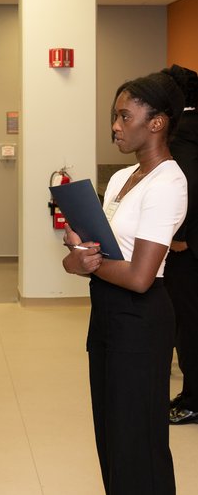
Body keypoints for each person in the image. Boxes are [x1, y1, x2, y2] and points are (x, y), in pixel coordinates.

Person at [62, 72, 187, 495]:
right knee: (112, 438)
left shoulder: (169, 183)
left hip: (142, 318)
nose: (115, 125)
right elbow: (97, 255)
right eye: (114, 116)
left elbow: (138, 275)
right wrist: (79, 251)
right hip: (107, 316)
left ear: (157, 122)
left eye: (123, 116)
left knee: (139, 444)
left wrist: (88, 263)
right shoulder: (119, 179)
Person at [161, 65, 198, 425]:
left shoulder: (183, 132)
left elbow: (187, 185)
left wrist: (180, 235)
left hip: (189, 250)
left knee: (188, 323)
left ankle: (192, 399)